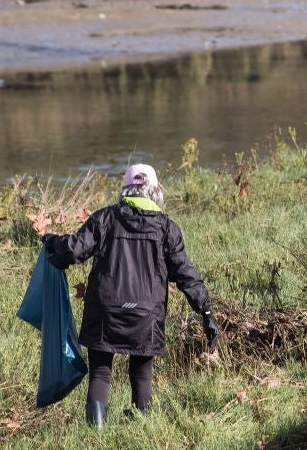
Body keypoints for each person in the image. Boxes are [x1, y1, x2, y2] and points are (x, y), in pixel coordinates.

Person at [43, 163, 219, 428]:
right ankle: (141, 430)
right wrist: (205, 311)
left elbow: (74, 250)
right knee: (141, 375)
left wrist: (52, 241)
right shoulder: (167, 228)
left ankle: (95, 437)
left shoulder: (105, 218)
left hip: (105, 313)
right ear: (155, 192)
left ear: (126, 189)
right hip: (146, 316)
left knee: (100, 374)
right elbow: (185, 273)